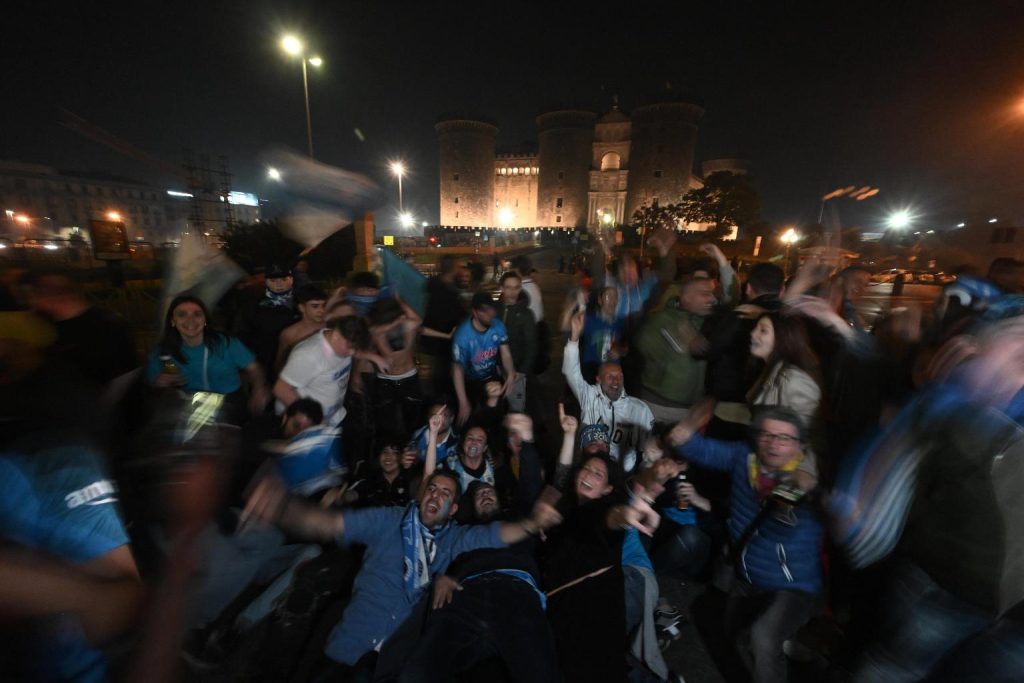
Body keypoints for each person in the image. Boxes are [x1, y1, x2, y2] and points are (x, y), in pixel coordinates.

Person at [241, 468, 563, 676]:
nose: (435, 496)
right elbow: (328, 524)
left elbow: (495, 534)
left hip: (394, 665)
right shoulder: (389, 520)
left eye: (445, 494)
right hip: (345, 654)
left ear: (452, 510)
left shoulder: (455, 540)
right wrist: (282, 507)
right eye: (432, 489)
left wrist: (532, 524)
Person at [667, 406, 824, 683]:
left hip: (789, 584)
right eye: (767, 435)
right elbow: (698, 449)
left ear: (799, 446)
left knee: (763, 638)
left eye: (785, 439)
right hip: (746, 573)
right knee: (734, 634)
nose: (774, 444)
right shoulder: (744, 457)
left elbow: (800, 516)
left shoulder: (802, 482)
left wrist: (795, 495)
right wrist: (689, 424)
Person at [146, 295, 269, 419]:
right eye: (182, 314)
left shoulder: (226, 344)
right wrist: (158, 383)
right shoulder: (162, 352)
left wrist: (259, 388)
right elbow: (151, 389)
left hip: (228, 404)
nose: (191, 320)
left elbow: (254, 368)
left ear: (205, 320)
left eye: (197, 314)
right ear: (172, 321)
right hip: (187, 406)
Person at [564, 308, 654, 473]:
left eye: (619, 376)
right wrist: (574, 337)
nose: (615, 380)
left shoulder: (640, 409)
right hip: (591, 469)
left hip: (624, 474)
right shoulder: (588, 396)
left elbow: (649, 450)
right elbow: (571, 371)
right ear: (598, 379)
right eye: (609, 376)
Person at [636, 276, 716, 424]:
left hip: (691, 411)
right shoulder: (661, 319)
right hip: (659, 406)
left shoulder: (706, 322)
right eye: (705, 294)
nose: (712, 299)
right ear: (687, 297)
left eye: (712, 293)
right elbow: (646, 348)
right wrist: (682, 341)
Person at [273, 315, 371, 428]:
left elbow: (355, 351)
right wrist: (312, 421)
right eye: (350, 347)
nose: (352, 353)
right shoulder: (309, 355)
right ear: (336, 335)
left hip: (332, 418)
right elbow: (281, 389)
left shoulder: (339, 344)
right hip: (305, 425)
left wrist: (373, 357)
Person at [451, 291, 515, 425]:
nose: (490, 314)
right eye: (484, 311)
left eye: (491, 309)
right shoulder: (462, 336)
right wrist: (463, 401)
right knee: (469, 416)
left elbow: (505, 353)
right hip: (469, 380)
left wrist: (510, 372)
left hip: (490, 376)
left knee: (499, 410)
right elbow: (457, 369)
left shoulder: (498, 325)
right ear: (475, 312)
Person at [367, 295, 424, 438]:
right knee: (385, 423)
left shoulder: (407, 326)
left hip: (408, 377)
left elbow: (418, 320)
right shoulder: (378, 331)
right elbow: (373, 331)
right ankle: (389, 453)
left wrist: (400, 300)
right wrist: (396, 322)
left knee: (414, 421)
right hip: (386, 380)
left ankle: (410, 452)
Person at [235, 263, 299, 384]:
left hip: (297, 367)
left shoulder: (302, 304)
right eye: (273, 280)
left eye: (284, 279)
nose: (279, 284)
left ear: (291, 280)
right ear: (267, 282)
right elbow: (240, 339)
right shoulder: (252, 307)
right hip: (264, 370)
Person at [421, 255, 466, 395]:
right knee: (444, 378)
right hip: (445, 341)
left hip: (433, 341)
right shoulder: (448, 293)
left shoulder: (434, 287)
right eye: (458, 266)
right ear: (453, 269)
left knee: (437, 376)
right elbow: (452, 317)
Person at [495, 271, 536, 413]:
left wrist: (522, 371)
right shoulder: (494, 310)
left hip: (516, 370)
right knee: (496, 406)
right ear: (501, 288)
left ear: (520, 288)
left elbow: (531, 345)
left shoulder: (526, 314)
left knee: (516, 408)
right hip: (495, 368)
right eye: (508, 287)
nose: (512, 292)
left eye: (516, 287)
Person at [275, 284, 328, 373]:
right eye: (315, 306)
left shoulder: (331, 326)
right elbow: (280, 364)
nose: (321, 310)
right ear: (301, 308)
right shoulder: (290, 334)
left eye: (324, 305)